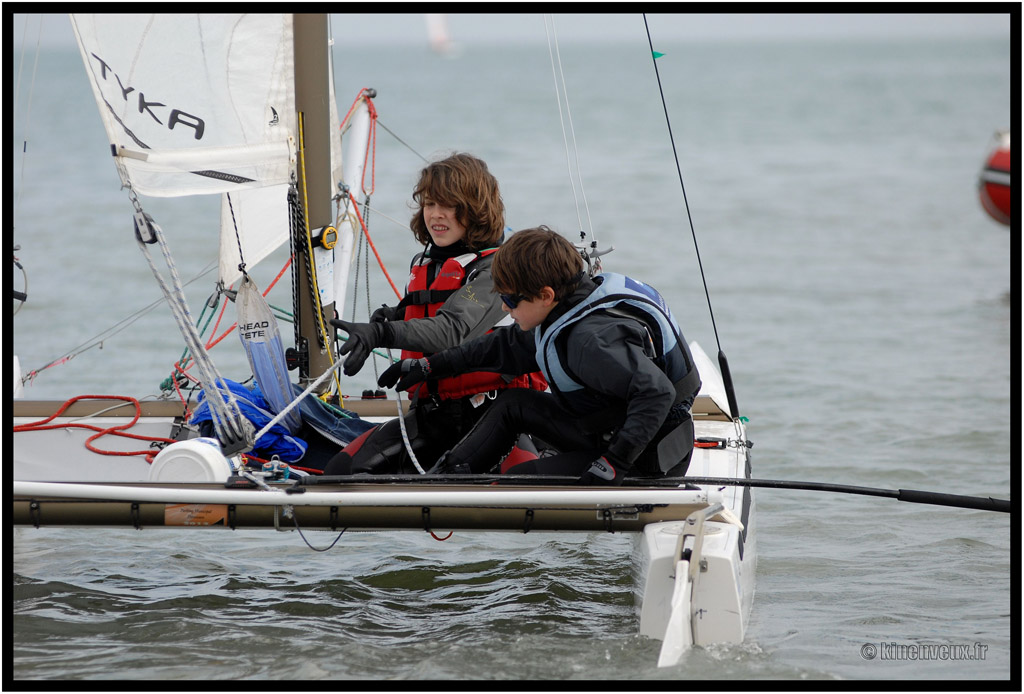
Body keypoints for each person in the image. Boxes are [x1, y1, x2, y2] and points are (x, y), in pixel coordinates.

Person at [377, 226, 702, 485]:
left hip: (646, 457)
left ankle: (466, 486)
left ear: (546, 296)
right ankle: (445, 479)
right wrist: (429, 365)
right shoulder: (567, 306)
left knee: (517, 485)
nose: (504, 307)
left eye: (510, 299)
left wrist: (613, 464)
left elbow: (658, 392)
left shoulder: (590, 341)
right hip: (607, 428)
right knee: (513, 403)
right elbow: (501, 347)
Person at [324, 153, 546, 475]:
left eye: (449, 206)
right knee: (340, 471)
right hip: (432, 416)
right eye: (429, 204)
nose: (436, 215)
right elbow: (421, 313)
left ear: (476, 209)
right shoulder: (428, 263)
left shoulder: (496, 270)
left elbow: (451, 330)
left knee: (533, 488)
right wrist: (387, 319)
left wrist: (383, 335)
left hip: (494, 415)